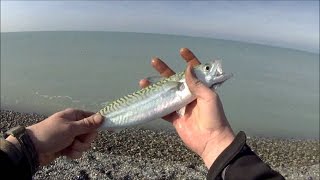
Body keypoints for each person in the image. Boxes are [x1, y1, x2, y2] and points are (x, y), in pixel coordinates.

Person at [0, 48, 284, 180]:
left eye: (208, 69)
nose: (211, 72)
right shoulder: (183, 84)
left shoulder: (187, 88)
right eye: (206, 70)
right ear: (192, 78)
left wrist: (29, 147)